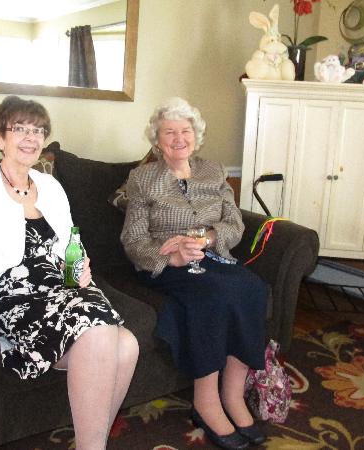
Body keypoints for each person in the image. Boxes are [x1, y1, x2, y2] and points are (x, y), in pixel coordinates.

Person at [0, 95, 139, 450]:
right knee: (102, 337)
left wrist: (79, 265)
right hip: (13, 295)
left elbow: (70, 241)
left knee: (128, 346)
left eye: (39, 130)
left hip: (62, 288)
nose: (31, 137)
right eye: (20, 129)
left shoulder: (50, 186)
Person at [121, 97, 267, 450]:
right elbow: (133, 239)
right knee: (213, 297)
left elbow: (234, 222)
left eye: (185, 130)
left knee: (253, 288)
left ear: (196, 135)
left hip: (212, 257)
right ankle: (205, 401)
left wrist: (211, 238)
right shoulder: (142, 178)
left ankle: (232, 395)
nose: (179, 138)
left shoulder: (213, 172)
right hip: (166, 264)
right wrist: (171, 257)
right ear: (157, 140)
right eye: (169, 132)